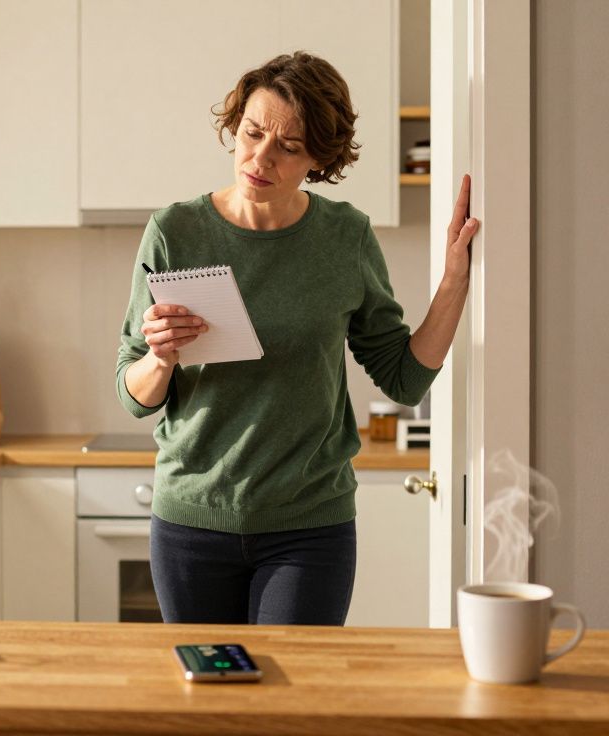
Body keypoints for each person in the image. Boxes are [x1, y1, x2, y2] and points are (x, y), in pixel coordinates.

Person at [115, 51, 479, 626]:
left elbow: (404, 378)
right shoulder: (174, 231)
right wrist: (160, 357)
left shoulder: (345, 236)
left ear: (318, 159)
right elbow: (132, 392)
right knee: (207, 707)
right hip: (191, 522)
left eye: (287, 147)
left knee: (296, 710)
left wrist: (455, 282)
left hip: (309, 528)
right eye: (252, 133)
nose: (260, 157)